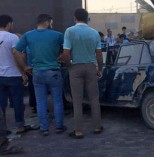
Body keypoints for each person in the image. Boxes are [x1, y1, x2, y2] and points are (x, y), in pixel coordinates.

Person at [14, 14, 65, 136]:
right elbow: (67, 50)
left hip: (37, 72)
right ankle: (59, 126)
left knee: (40, 101)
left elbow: (16, 52)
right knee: (57, 100)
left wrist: (25, 67)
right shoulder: (57, 35)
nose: (52, 25)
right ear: (47, 22)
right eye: (51, 23)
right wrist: (60, 58)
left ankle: (44, 128)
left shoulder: (28, 35)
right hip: (54, 71)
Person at [61, 8, 103, 139]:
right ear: (87, 18)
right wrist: (100, 69)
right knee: (94, 99)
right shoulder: (95, 33)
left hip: (75, 67)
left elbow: (66, 53)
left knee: (77, 100)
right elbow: (99, 54)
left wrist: (69, 65)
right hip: (91, 67)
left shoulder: (70, 31)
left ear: (74, 18)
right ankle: (97, 127)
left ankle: (78, 131)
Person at [0, 15, 30, 135]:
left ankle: (2, 128)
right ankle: (19, 126)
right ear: (8, 24)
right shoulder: (13, 38)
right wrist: (24, 72)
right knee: (17, 101)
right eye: (12, 24)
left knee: (1, 103)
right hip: (13, 75)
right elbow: (16, 55)